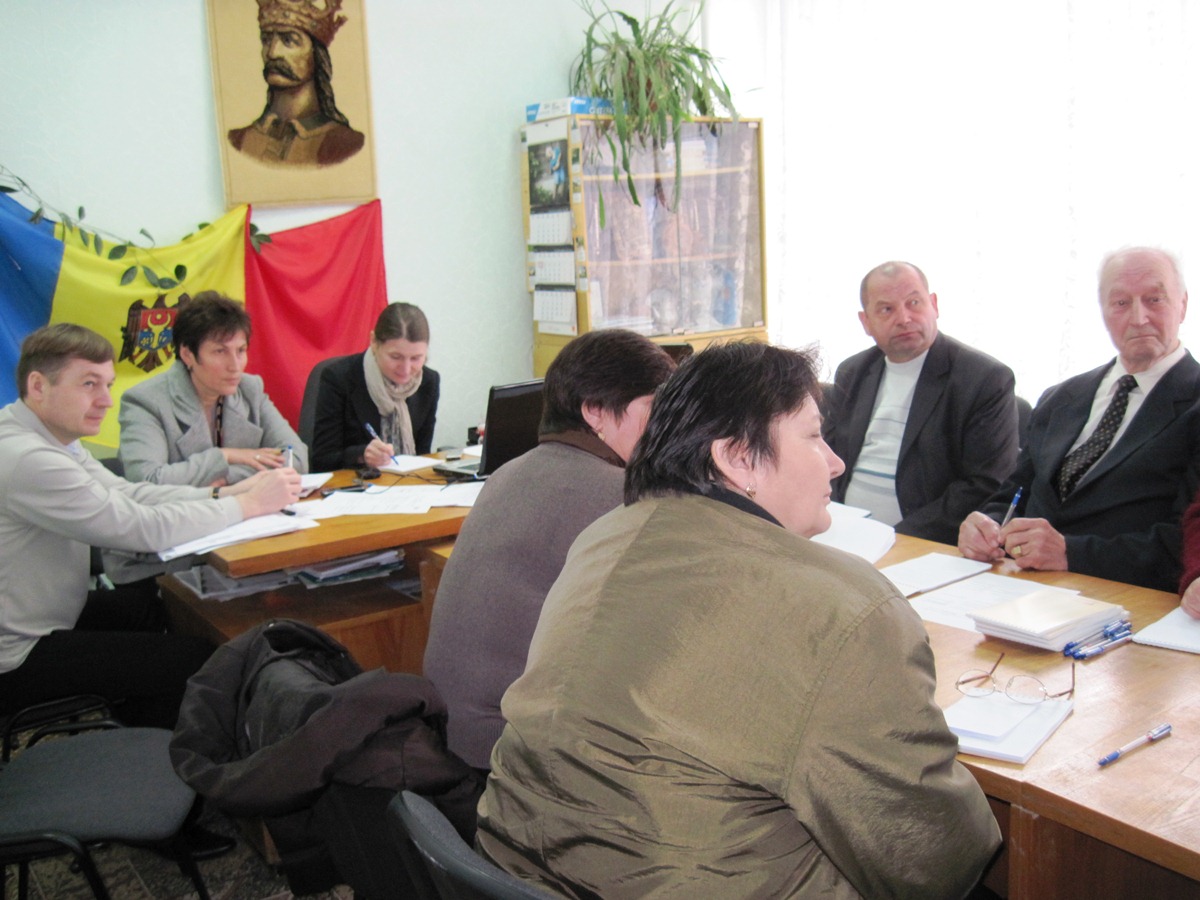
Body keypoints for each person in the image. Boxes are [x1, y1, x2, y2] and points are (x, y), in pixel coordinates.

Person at [477, 342, 1000, 899]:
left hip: (513, 872)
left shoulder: (604, 536)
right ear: (739, 459)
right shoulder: (844, 605)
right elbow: (934, 857)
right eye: (813, 436)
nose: (835, 462)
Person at [0, 323, 300, 731]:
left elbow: (130, 493)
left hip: (48, 613)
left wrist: (225, 495)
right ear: (38, 386)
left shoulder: (49, 438)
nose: (105, 400)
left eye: (107, 384)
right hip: (17, 655)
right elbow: (141, 528)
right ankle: (154, 753)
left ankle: (140, 720)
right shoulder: (29, 458)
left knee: (160, 605)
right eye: (89, 384)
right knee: (194, 661)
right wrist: (247, 505)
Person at [422, 329, 674, 771]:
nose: (665, 429)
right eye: (654, 409)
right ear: (595, 412)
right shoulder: (620, 496)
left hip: (452, 740)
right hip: (511, 756)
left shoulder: (507, 473)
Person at [959, 246, 1200, 592]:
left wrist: (1070, 552)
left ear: (1183, 305)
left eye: (1154, 300)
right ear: (1103, 312)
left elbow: (1186, 542)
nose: (1139, 318)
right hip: (1017, 586)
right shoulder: (1061, 397)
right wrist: (987, 525)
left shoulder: (1194, 404)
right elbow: (1015, 493)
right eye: (1121, 303)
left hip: (1118, 595)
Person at [823, 260, 1019, 544]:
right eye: (886, 309)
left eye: (914, 303)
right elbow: (829, 457)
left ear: (934, 305)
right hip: (843, 531)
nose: (904, 318)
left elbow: (985, 484)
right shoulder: (853, 371)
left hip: (919, 540)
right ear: (866, 322)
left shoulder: (984, 378)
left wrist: (894, 538)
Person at [119, 291, 307, 487]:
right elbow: (148, 480)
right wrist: (225, 456)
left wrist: (227, 478)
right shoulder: (146, 401)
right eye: (220, 351)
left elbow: (296, 458)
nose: (235, 366)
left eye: (241, 350)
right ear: (187, 355)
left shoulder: (249, 389)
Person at [227, 0, 365, 167]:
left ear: (317, 55)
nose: (272, 53)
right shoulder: (238, 140)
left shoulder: (345, 144)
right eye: (266, 40)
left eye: (289, 40)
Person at [310, 302, 440, 471]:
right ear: (374, 342)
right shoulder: (339, 378)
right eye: (395, 357)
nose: (406, 369)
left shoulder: (428, 382)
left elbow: (422, 455)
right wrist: (361, 455)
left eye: (416, 358)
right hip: (355, 483)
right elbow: (322, 460)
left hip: (408, 482)